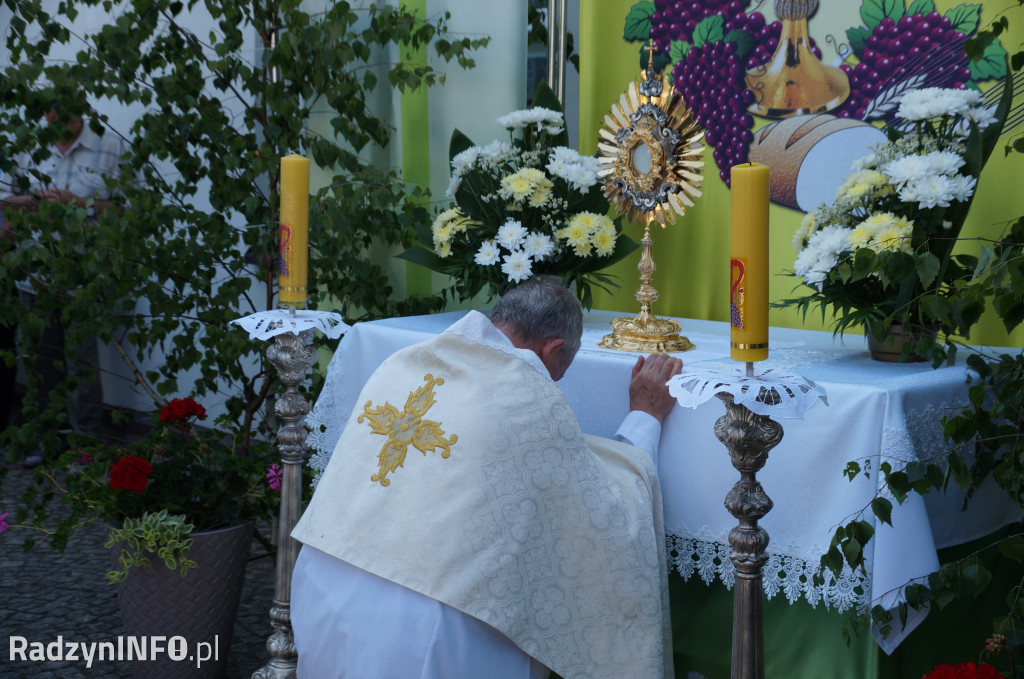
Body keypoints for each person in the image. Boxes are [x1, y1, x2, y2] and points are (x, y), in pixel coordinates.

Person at [291, 275, 683, 679]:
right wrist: (644, 417)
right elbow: (606, 520)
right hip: (424, 640)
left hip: (322, 603)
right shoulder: (525, 395)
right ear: (555, 349)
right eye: (559, 372)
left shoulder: (404, 362)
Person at [0, 81, 130, 467]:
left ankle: (85, 448)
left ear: (80, 110)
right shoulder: (30, 146)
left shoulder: (108, 146)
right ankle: (45, 440)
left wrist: (82, 204)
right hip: (34, 273)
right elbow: (6, 199)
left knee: (81, 363)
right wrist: (32, 201)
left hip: (83, 275)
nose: (54, 119)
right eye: (48, 112)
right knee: (39, 360)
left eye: (63, 112)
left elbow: (128, 210)